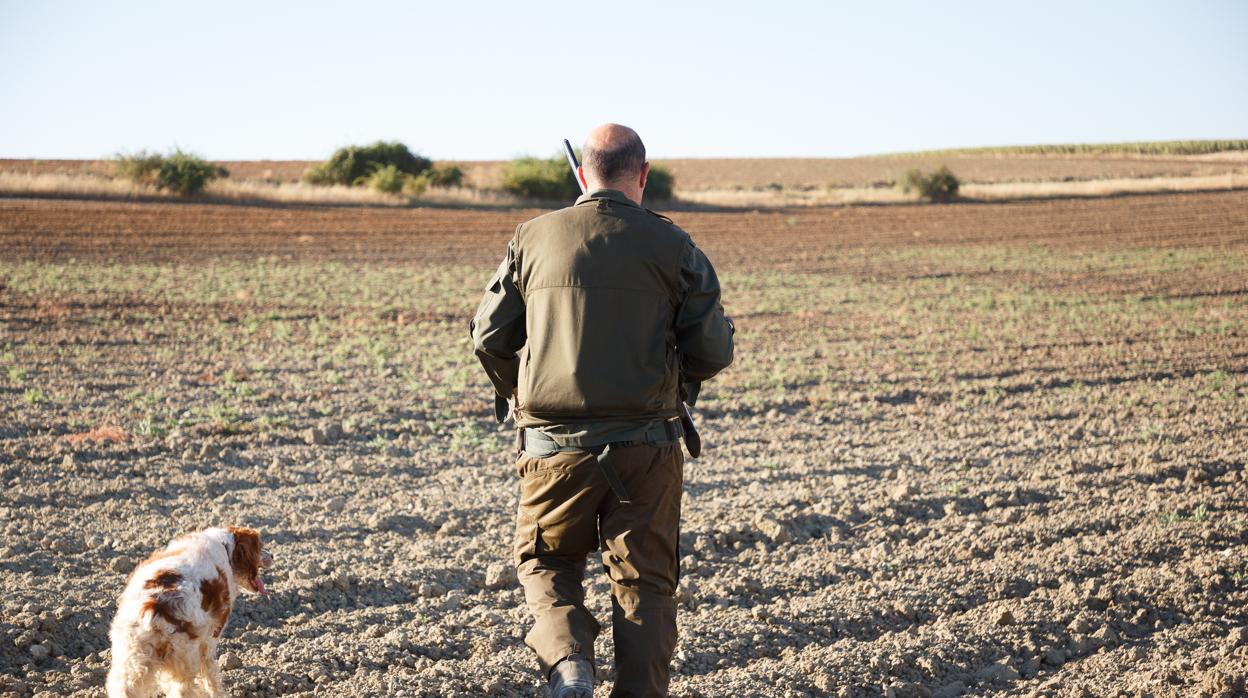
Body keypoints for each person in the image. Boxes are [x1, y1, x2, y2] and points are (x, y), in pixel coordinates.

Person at [471, 123, 734, 697]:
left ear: (583, 175)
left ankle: (569, 666)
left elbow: (488, 337)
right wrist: (675, 383)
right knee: (646, 587)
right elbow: (714, 350)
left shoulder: (534, 237)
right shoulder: (675, 245)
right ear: (643, 175)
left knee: (546, 566)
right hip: (648, 449)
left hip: (552, 453)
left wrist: (519, 395)